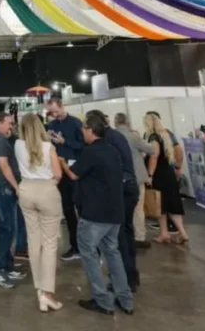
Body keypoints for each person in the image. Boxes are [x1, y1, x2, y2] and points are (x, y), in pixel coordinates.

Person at [71, 112, 135, 315]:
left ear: (90, 130)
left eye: (84, 128)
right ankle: (125, 299)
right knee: (113, 253)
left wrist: (61, 162)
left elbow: (74, 174)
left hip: (95, 214)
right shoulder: (112, 150)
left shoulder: (91, 152)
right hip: (114, 212)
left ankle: (102, 300)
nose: (82, 131)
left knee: (88, 253)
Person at [15, 114, 64, 312]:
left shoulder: (18, 145)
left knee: (33, 241)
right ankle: (47, 293)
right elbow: (58, 174)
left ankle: (38, 288)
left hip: (26, 190)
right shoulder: (48, 147)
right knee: (50, 244)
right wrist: (52, 182)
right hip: (46, 191)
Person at [92, 110, 140, 292]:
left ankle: (123, 281)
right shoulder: (116, 136)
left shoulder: (108, 140)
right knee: (126, 234)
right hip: (130, 186)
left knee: (118, 238)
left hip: (121, 188)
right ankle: (131, 277)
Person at [0, 112, 27, 288]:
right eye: (9, 123)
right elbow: (4, 165)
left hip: (3, 188)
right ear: (0, 123)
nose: (11, 126)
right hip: (3, 189)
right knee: (7, 229)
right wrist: (16, 186)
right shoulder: (0, 140)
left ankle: (7, 265)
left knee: (8, 228)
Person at [45, 98, 84, 262]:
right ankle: (75, 246)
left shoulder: (75, 123)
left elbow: (83, 145)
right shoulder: (52, 125)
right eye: (51, 112)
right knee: (67, 209)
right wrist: (47, 139)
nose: (54, 114)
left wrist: (65, 142)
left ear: (62, 106)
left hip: (75, 169)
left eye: (56, 111)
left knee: (81, 208)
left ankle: (89, 246)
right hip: (59, 171)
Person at [144, 112, 189, 244]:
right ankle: (175, 233)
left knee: (160, 204)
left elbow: (154, 156)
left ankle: (167, 233)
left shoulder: (153, 137)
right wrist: (178, 166)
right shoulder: (166, 135)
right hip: (168, 172)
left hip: (159, 174)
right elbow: (176, 150)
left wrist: (150, 175)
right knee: (171, 204)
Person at [115, 113, 154, 250]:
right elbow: (151, 150)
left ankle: (121, 236)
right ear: (127, 122)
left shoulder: (112, 137)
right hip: (136, 177)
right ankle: (139, 237)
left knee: (120, 207)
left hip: (117, 178)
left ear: (115, 122)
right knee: (138, 208)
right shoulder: (133, 136)